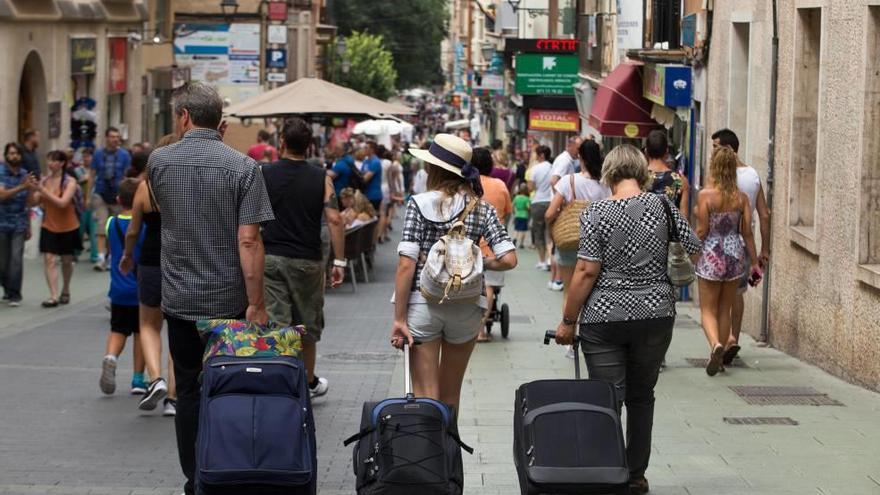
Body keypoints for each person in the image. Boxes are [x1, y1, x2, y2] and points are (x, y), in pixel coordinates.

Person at [148, 82, 275, 495]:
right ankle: (228, 467)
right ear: (219, 120)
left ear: (184, 116)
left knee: (187, 390)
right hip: (228, 301)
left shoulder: (159, 162)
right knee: (229, 386)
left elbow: (168, 213)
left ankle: (195, 477)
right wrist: (256, 303)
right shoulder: (244, 168)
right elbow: (249, 241)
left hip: (180, 298)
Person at [553, 144, 700, 495]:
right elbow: (693, 244)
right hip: (655, 313)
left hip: (604, 317)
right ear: (641, 171)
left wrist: (568, 320)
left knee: (607, 398)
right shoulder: (663, 205)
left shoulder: (595, 213)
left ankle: (608, 472)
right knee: (641, 395)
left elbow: (587, 270)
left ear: (609, 174)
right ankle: (636, 475)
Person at [391, 133, 517, 424]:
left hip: (423, 304)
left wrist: (399, 318)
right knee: (451, 397)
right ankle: (450, 462)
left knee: (426, 395)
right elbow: (509, 259)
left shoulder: (419, 203)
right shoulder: (481, 206)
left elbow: (406, 263)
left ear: (433, 169)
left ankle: (427, 462)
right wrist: (474, 261)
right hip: (468, 307)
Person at [261, 117, 346, 399]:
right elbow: (334, 219)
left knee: (277, 324)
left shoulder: (264, 174)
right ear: (309, 146)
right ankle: (307, 383)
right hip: (308, 262)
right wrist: (340, 262)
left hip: (271, 257)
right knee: (306, 327)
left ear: (281, 142)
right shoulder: (321, 177)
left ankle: (277, 380)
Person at [119, 149, 178, 416]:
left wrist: (127, 254)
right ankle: (173, 399)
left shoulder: (146, 187)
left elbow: (133, 230)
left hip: (151, 261)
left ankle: (156, 379)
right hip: (180, 261)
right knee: (178, 328)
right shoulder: (184, 183)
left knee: (148, 324)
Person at [694, 145, 760, 377]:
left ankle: (715, 345)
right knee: (725, 308)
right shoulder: (741, 198)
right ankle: (720, 359)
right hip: (734, 255)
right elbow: (748, 232)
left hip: (712, 253)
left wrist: (692, 253)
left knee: (707, 309)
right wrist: (754, 262)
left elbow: (702, 230)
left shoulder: (705, 196)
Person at [711, 129, 771, 364]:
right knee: (737, 292)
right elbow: (764, 215)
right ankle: (733, 337)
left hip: (719, 243)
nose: (712, 151)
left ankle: (720, 340)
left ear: (727, 149)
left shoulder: (719, 175)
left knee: (717, 294)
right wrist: (764, 250)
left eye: (716, 147)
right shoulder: (754, 175)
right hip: (745, 244)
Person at [99, 178, 149, 397]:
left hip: (118, 289)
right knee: (141, 332)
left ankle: (111, 357)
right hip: (141, 288)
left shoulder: (111, 223)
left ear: (118, 200)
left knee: (118, 330)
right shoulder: (146, 225)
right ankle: (138, 379)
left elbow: (112, 249)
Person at [546, 139, 610, 294]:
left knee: (569, 292)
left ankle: (569, 319)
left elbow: (549, 214)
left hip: (571, 239)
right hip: (597, 243)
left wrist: (552, 229)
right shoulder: (606, 184)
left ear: (580, 156)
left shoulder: (569, 180)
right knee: (592, 292)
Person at [472, 147, 512, 343]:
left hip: (469, 245)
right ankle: (480, 330)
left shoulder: (467, 185)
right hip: (494, 246)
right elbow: (508, 211)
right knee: (489, 286)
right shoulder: (500, 185)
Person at [34, 150, 82, 308]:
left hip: (69, 226)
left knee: (66, 260)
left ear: (62, 163)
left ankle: (65, 289)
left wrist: (43, 191)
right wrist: (30, 188)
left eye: (54, 160)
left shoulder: (70, 181)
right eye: (49, 160)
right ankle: (53, 295)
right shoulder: (45, 181)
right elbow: (33, 202)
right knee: (49, 259)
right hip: (49, 225)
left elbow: (62, 203)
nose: (50, 163)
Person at [0, 143, 38, 306]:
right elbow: (1, 195)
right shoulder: (1, 172)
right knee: (2, 262)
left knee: (16, 259)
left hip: (19, 223)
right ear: (6, 156)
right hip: (1, 222)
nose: (14, 156)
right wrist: (22, 186)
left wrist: (30, 189)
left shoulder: (25, 174)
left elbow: (29, 203)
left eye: (17, 153)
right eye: (11, 153)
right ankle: (8, 289)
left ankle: (15, 294)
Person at [90, 127, 132, 272]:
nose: (115, 139)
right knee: (102, 225)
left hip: (117, 196)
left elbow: (127, 176)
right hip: (101, 193)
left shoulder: (124, 155)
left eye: (117, 137)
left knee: (113, 227)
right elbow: (92, 174)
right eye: (112, 136)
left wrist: (127, 195)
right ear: (106, 138)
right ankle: (100, 257)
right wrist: (87, 196)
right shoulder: (98, 154)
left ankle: (110, 256)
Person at [646, 130, 690, 213]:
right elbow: (684, 218)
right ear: (667, 151)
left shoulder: (637, 178)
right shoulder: (680, 180)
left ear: (646, 151)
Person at [528, 145, 553, 270]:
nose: (536, 157)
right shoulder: (553, 167)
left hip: (538, 202)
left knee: (538, 232)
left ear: (541, 155)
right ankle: (550, 259)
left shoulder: (535, 169)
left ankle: (542, 261)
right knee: (550, 232)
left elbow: (530, 188)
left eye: (537, 154)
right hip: (552, 202)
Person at [362, 141, 384, 212]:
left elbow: (365, 178)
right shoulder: (365, 161)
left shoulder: (375, 162)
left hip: (374, 195)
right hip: (366, 194)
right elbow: (361, 174)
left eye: (366, 148)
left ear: (372, 150)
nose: (364, 149)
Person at [511, 183, 530, 249]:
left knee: (516, 229)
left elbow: (512, 206)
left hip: (517, 214)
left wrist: (514, 212)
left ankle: (515, 239)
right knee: (523, 230)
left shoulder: (516, 197)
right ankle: (521, 243)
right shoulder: (527, 198)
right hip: (524, 215)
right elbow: (528, 207)